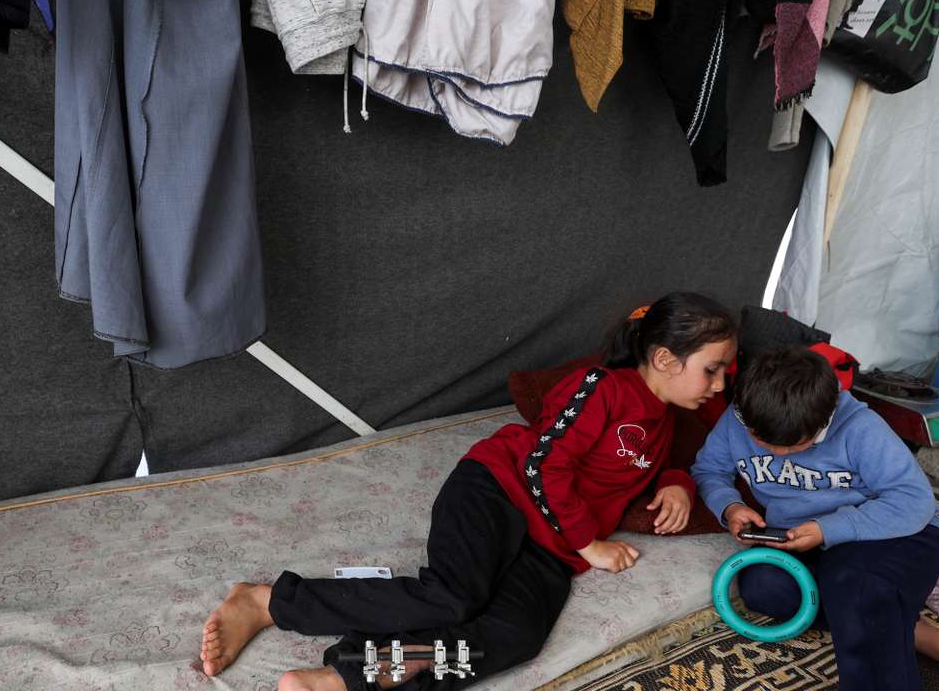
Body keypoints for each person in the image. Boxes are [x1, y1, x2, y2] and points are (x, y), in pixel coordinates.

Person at [198, 291, 740, 690]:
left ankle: (348, 677)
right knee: (454, 596)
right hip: (500, 492)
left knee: (515, 635)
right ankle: (270, 601)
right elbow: (544, 463)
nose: (719, 385)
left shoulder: (666, 417)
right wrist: (589, 544)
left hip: (549, 550)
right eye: (712, 370)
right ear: (664, 359)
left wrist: (676, 483)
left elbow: (665, 458)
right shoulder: (601, 388)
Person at [691, 346, 939, 690]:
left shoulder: (860, 427)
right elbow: (709, 469)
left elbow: (914, 501)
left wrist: (828, 529)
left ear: (824, 419)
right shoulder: (739, 418)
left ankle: (882, 639)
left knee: (854, 585)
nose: (777, 453)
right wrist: (730, 507)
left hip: (890, 533)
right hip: (803, 537)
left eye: (794, 446)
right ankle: (913, 633)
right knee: (763, 586)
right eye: (761, 442)